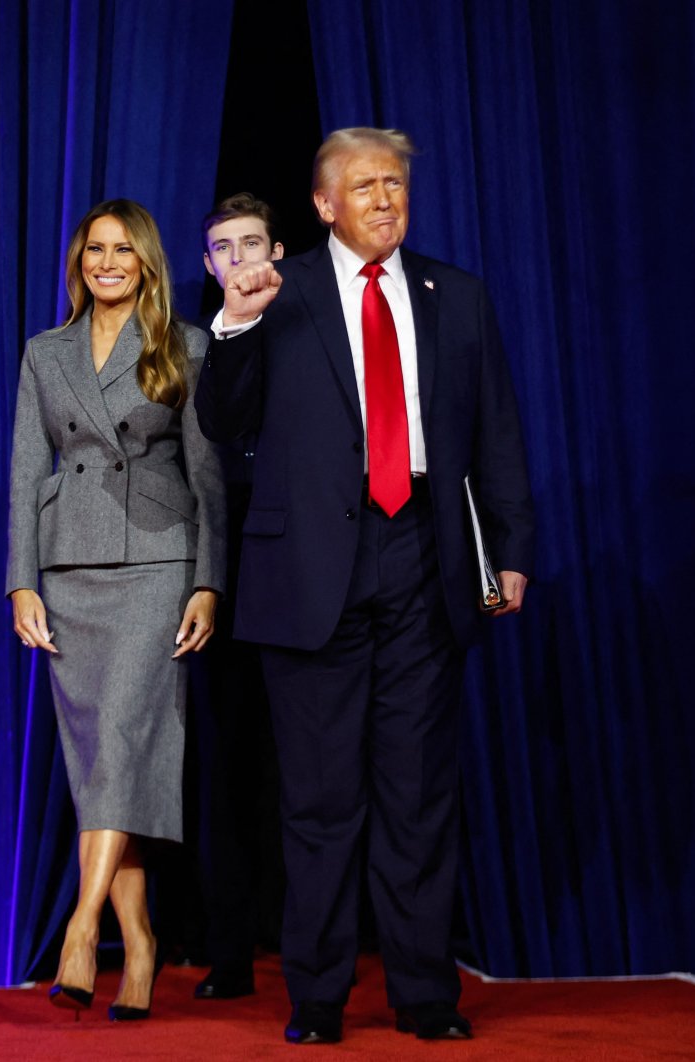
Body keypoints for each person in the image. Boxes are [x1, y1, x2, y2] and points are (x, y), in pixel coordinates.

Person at [195, 128, 535, 1044]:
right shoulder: (280, 290)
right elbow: (223, 422)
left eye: (395, 184)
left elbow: (497, 432)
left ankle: (425, 993)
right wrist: (235, 322)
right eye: (364, 186)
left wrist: (510, 550)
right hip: (310, 571)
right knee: (318, 799)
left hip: (425, 558)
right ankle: (316, 996)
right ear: (321, 203)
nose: (385, 200)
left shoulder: (456, 297)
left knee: (418, 793)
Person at [8, 199, 226, 1022]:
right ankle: (139, 945)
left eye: (122, 251)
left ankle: (81, 925)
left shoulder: (186, 346)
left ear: (146, 264)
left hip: (157, 566)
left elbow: (207, 476)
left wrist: (209, 580)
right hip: (69, 569)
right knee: (105, 761)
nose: (107, 263)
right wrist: (21, 581)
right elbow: (28, 470)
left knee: (125, 744)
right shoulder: (44, 351)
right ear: (80, 262)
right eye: (95, 250)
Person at [185, 193, 288, 1003]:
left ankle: (307, 941)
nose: (242, 257)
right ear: (210, 266)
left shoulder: (322, 329)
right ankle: (227, 951)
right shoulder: (194, 348)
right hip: (225, 567)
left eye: (254, 243)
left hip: (309, 569)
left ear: (279, 251)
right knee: (224, 765)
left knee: (306, 764)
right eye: (225, 248)